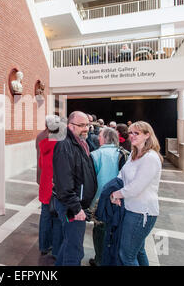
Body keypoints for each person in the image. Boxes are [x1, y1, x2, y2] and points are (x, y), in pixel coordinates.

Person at [110, 121, 163, 266]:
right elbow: (122, 174)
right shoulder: (135, 153)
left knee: (126, 255)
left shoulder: (150, 157)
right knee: (138, 251)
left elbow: (136, 187)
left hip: (141, 212)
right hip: (132, 208)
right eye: (130, 133)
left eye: (136, 133)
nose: (132, 136)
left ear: (147, 135)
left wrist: (116, 194)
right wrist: (116, 191)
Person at [52, 111, 97, 266]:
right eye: (82, 125)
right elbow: (64, 183)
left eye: (87, 125)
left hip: (76, 203)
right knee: (75, 250)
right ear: (70, 126)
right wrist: (76, 208)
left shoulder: (80, 142)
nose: (86, 128)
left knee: (70, 243)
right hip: (71, 206)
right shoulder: (65, 145)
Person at [88, 127, 121, 266]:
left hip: (99, 199)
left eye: (100, 135)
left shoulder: (95, 154)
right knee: (115, 229)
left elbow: (90, 179)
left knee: (100, 229)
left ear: (106, 138)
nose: (98, 138)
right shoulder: (123, 153)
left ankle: (99, 259)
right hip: (119, 198)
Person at [37, 115, 66, 259]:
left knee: (45, 216)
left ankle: (43, 246)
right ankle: (55, 250)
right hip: (58, 186)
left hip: (45, 185)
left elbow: (42, 165)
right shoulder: (62, 144)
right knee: (58, 220)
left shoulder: (43, 144)